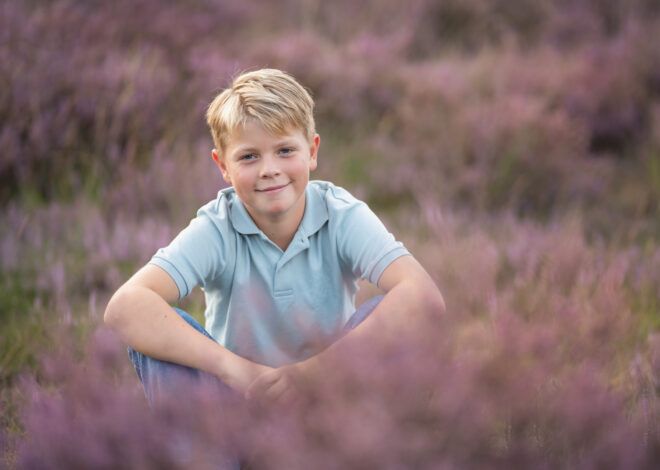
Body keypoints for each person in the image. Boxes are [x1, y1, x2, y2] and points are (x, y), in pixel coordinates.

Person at [103, 68, 445, 410]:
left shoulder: (341, 215)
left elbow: (425, 298)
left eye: (284, 150)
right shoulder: (217, 227)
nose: (269, 169)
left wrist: (310, 374)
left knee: (386, 311)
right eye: (249, 156)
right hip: (239, 407)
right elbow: (124, 306)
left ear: (312, 151)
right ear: (222, 165)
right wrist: (238, 371)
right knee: (159, 333)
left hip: (330, 404)